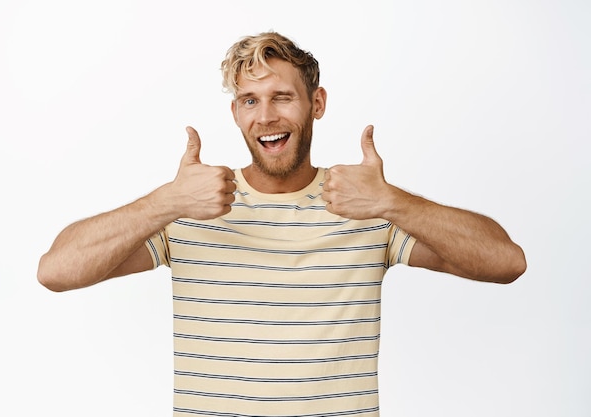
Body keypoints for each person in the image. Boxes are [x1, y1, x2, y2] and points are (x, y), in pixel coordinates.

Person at [38, 31, 526, 416]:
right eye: (250, 100)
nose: (266, 116)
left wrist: (392, 201)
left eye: (282, 97)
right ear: (235, 112)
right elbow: (56, 271)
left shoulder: (367, 207)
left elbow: (506, 262)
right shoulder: (189, 206)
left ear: (317, 104)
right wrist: (164, 202)